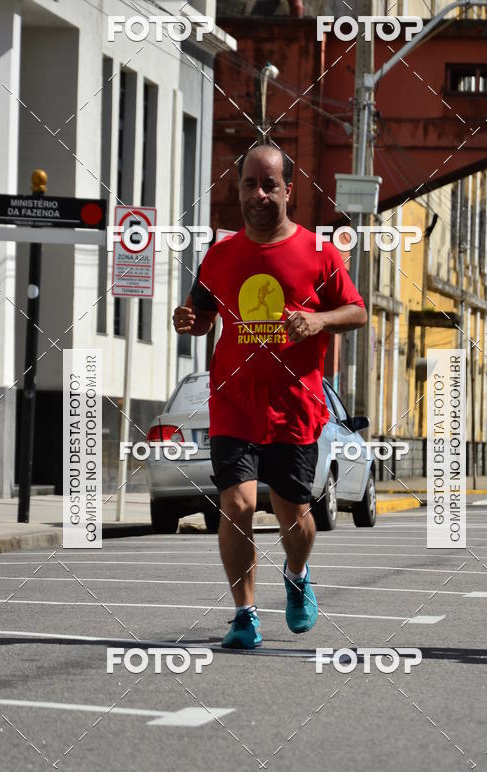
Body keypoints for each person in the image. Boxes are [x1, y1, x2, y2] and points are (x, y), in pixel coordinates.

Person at [172, 144, 367, 649]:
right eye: (249, 185)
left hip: (294, 405)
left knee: (293, 515)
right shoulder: (220, 254)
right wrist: (188, 321)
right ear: (237, 190)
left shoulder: (317, 252)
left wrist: (319, 320)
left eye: (268, 185)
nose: (258, 195)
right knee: (235, 503)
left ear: (288, 191)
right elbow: (202, 314)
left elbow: (357, 311)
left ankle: (298, 573)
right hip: (234, 402)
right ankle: (244, 614)